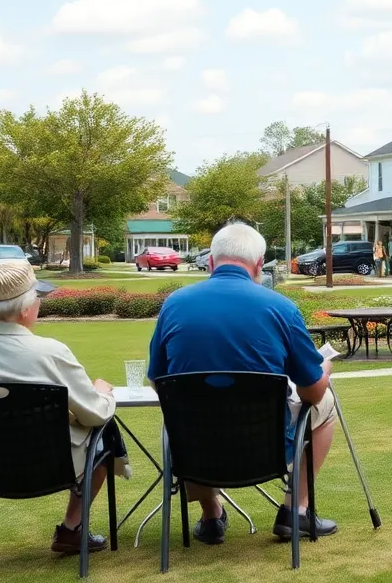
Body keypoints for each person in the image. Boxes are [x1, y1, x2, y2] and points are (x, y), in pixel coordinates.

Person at [147, 222, 338, 544]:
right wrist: (326, 369)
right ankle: (296, 510)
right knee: (327, 406)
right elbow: (313, 391)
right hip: (266, 443)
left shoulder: (174, 304)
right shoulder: (280, 308)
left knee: (184, 413)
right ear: (259, 265)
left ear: (210, 261)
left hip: (195, 445)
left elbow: (157, 379)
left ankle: (211, 515)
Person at [0, 262, 118, 554]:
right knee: (107, 431)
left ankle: (72, 530)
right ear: (24, 308)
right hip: (48, 464)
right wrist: (102, 392)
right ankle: (72, 528)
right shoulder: (49, 352)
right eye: (37, 298)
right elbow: (94, 413)